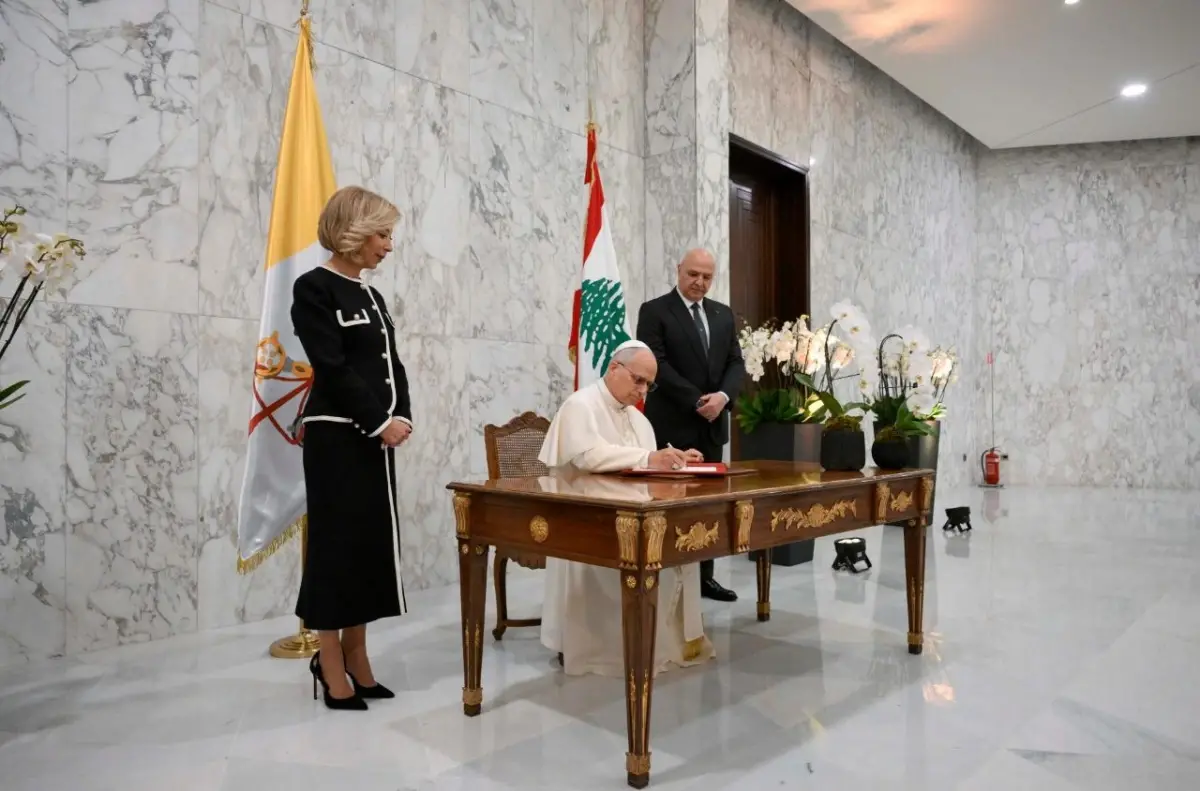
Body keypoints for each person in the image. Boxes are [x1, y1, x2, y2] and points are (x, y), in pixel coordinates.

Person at [291, 186, 412, 711]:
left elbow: (393, 364)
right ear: (355, 233)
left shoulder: (371, 295)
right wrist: (378, 421)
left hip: (374, 436)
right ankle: (330, 661)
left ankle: (360, 659)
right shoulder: (313, 288)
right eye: (383, 234)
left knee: (367, 549)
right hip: (336, 436)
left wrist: (401, 414)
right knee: (335, 552)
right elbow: (332, 366)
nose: (388, 246)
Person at [537, 340, 715, 677]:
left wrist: (674, 460)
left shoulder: (638, 419)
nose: (643, 391)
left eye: (649, 384)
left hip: (633, 515)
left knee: (681, 548)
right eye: (638, 380)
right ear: (614, 368)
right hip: (585, 522)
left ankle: (657, 639)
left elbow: (641, 470)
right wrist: (651, 458)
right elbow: (588, 456)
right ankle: (603, 647)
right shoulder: (580, 406)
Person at [636, 248, 745, 602]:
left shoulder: (723, 314)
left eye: (707, 277)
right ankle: (668, 578)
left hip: (713, 424)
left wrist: (723, 399)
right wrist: (698, 400)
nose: (699, 282)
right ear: (679, 270)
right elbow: (657, 365)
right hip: (672, 424)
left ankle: (705, 578)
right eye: (693, 274)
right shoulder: (654, 311)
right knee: (672, 502)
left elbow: (735, 363)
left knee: (710, 502)